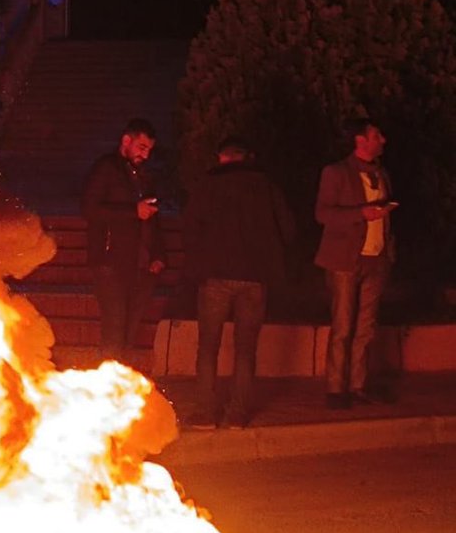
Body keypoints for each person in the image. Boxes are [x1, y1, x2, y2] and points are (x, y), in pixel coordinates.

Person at [183, 137, 295, 429]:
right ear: (247, 157)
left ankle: (206, 412)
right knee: (246, 349)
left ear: (222, 158)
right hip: (255, 278)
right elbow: (288, 230)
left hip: (215, 276)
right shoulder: (267, 187)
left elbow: (191, 228)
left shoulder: (208, 185)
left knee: (208, 346)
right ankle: (237, 413)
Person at [315, 115, 398, 409]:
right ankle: (336, 389)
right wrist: (361, 213)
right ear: (360, 140)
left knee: (366, 326)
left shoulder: (382, 174)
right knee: (343, 325)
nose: (383, 140)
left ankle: (358, 385)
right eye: (377, 136)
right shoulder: (336, 172)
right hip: (345, 259)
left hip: (377, 259)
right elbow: (323, 214)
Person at [82, 118, 166, 368]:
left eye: (149, 149)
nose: (145, 154)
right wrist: (132, 211)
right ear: (126, 141)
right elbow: (89, 208)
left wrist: (158, 254)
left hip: (137, 264)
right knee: (115, 324)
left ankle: (121, 381)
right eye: (141, 147)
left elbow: (151, 217)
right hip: (110, 261)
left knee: (129, 327)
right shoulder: (107, 168)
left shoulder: (141, 176)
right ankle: (107, 381)